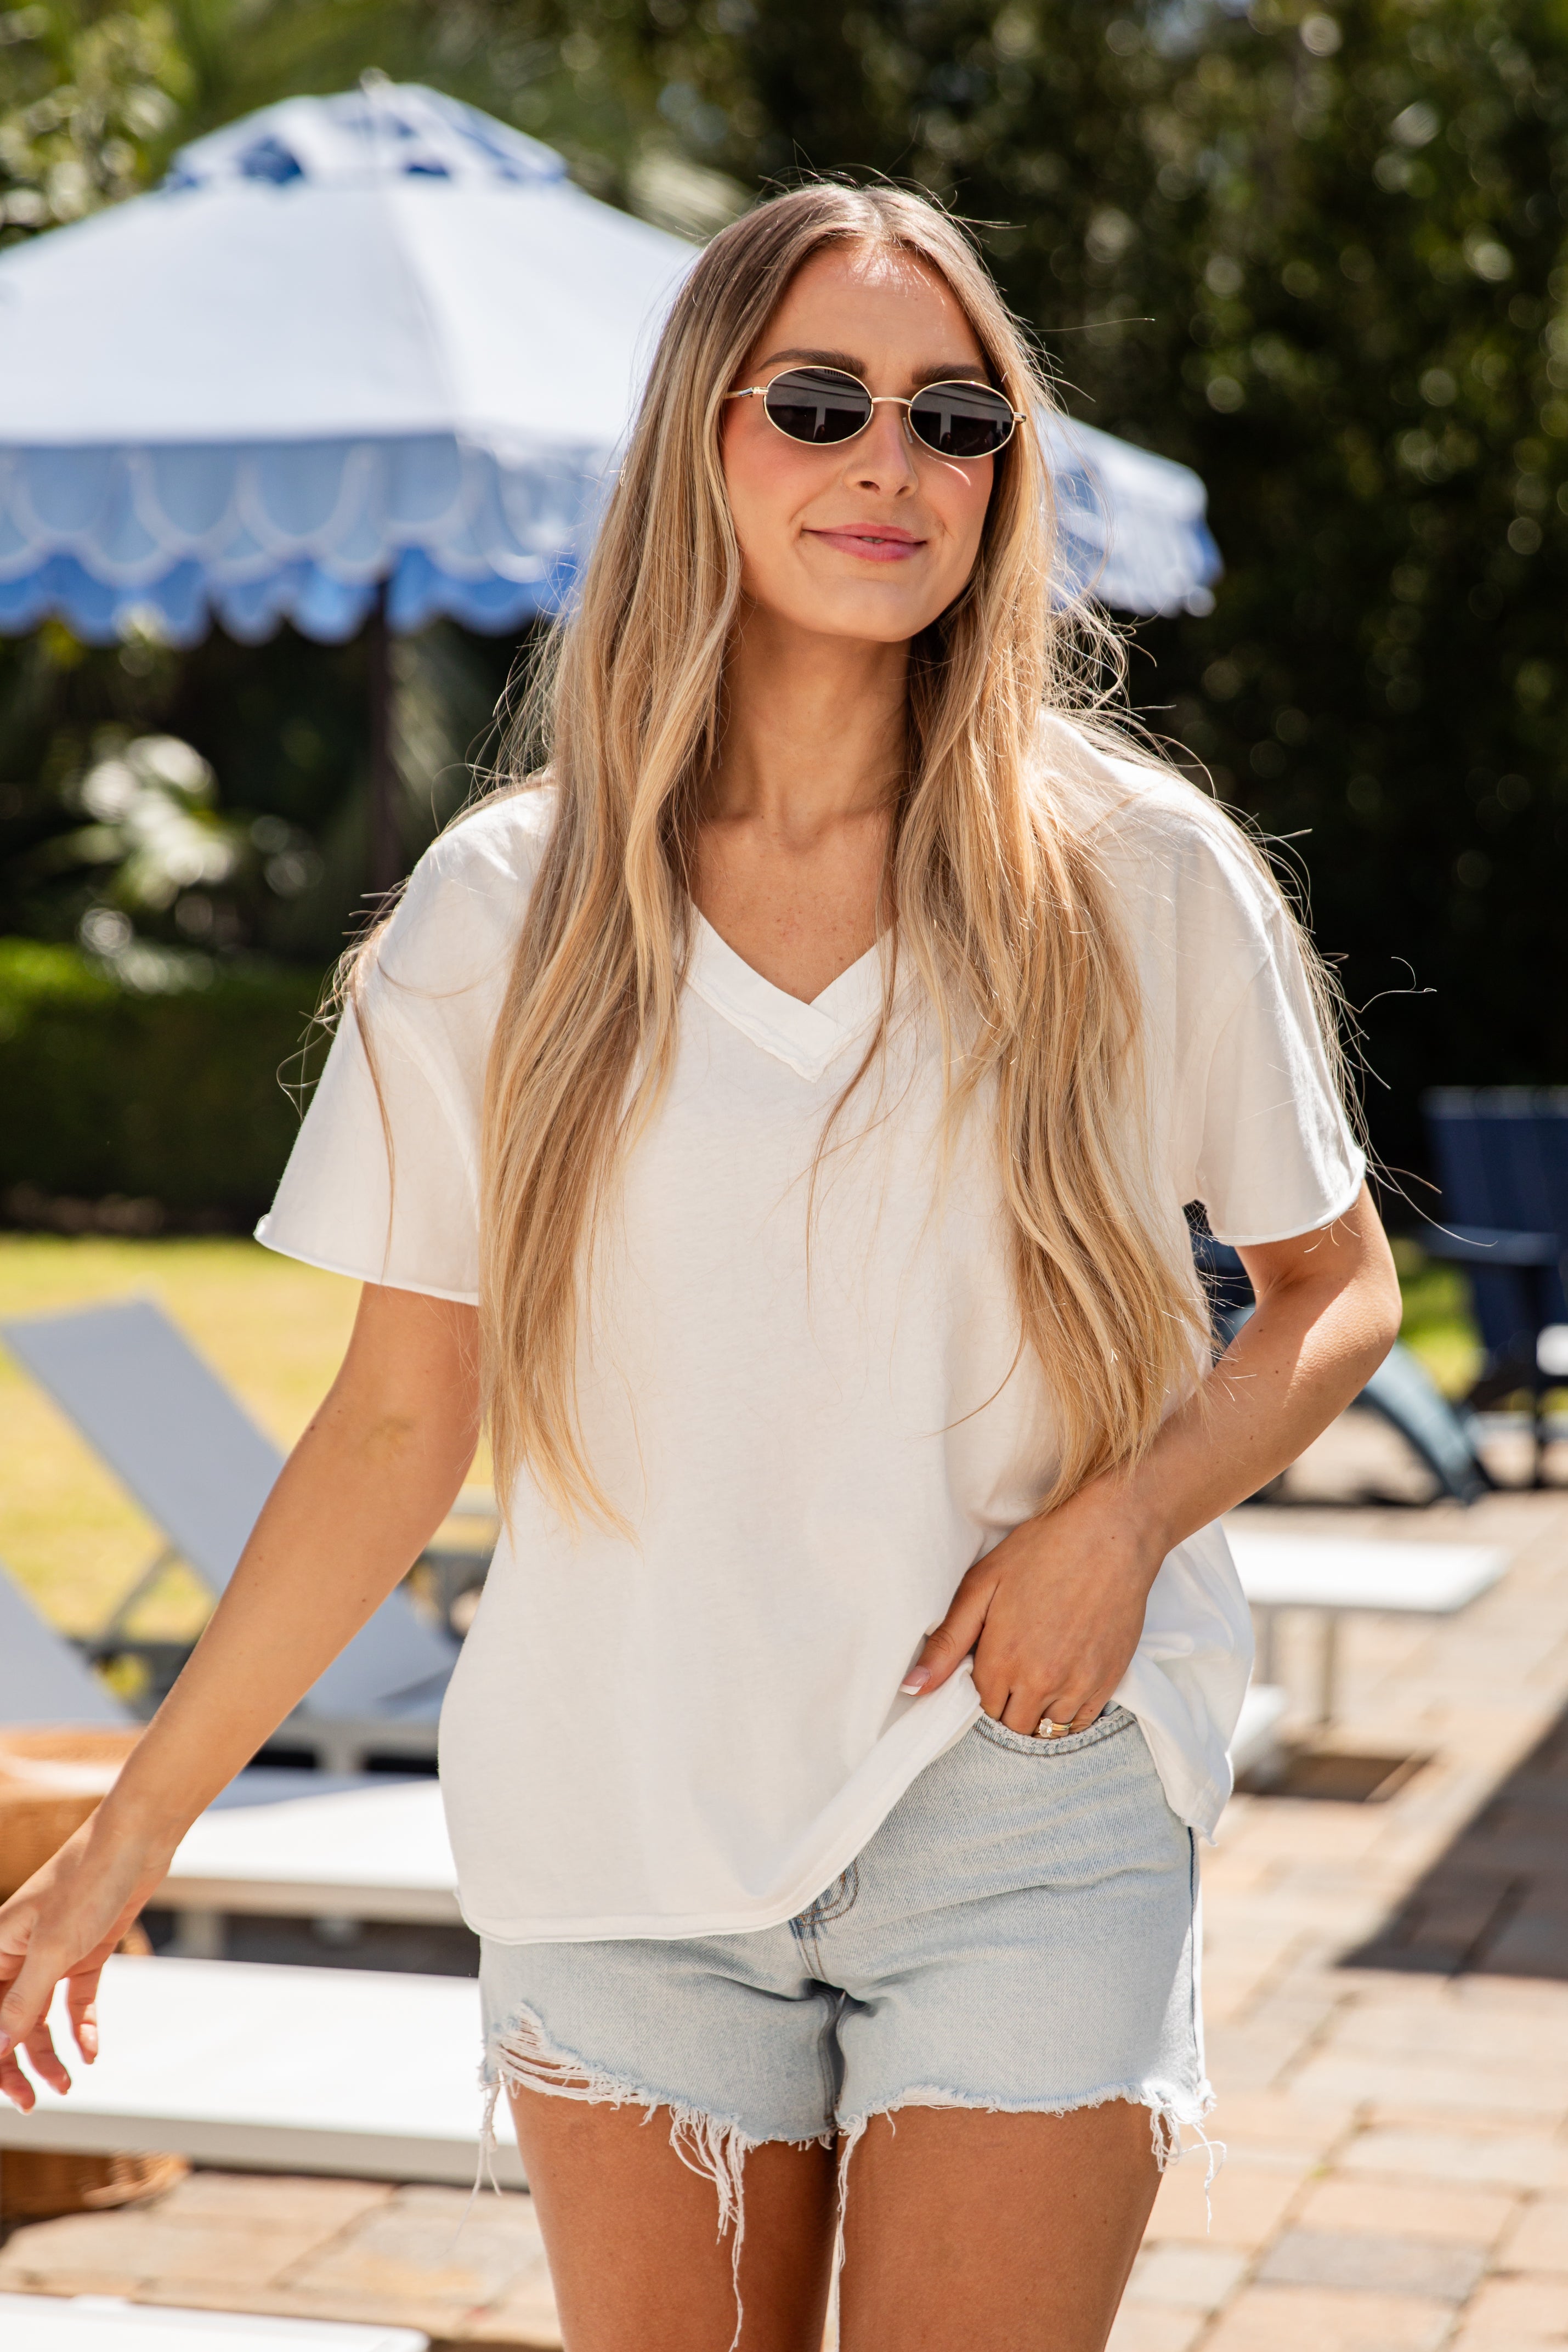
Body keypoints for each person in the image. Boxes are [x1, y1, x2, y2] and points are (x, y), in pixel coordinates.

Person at [0, 183, 1400, 2351]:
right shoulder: (504, 914)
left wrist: (1123, 1522)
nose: (892, 463)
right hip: (619, 1822)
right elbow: (390, 1422)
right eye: (823, 401)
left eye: (957, 422)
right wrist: (128, 1837)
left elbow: (1333, 1290)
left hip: (1016, 1784)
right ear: (698, 444)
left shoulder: (1132, 876)